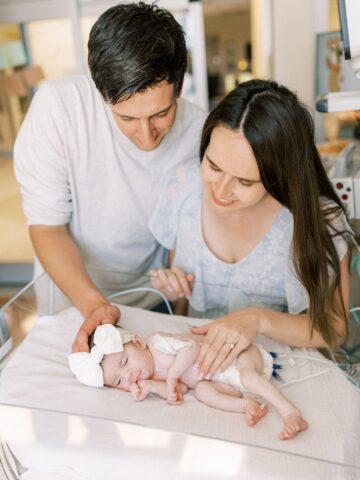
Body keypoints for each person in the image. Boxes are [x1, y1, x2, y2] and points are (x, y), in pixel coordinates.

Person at [14, 2, 206, 353]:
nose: (147, 137)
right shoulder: (58, 110)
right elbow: (47, 227)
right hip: (69, 303)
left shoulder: (199, 132)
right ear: (102, 94)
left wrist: (180, 316)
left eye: (161, 114)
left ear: (179, 86)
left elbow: (185, 237)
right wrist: (94, 307)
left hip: (150, 302)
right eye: (127, 118)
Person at [149, 79, 354, 380]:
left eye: (244, 182)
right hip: (196, 365)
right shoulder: (181, 189)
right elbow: (181, 301)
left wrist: (257, 320)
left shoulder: (318, 219)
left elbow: (335, 329)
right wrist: (172, 285)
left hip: (277, 369)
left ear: (279, 177)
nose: (220, 190)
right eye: (214, 166)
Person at [69, 324, 308, 440]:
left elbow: (191, 347)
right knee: (203, 391)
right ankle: (246, 406)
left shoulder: (157, 343)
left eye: (125, 362)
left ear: (138, 343)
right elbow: (182, 389)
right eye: (119, 380)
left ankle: (290, 413)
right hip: (223, 381)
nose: (129, 375)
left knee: (248, 376)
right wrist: (154, 387)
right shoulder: (153, 377)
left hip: (239, 356)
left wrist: (172, 375)